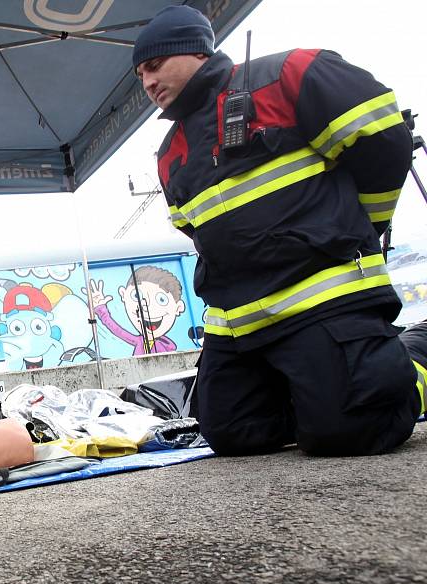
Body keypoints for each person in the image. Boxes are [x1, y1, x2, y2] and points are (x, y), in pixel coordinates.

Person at [132, 6, 427, 456]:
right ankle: (328, 393)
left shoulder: (289, 75)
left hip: (322, 301)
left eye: (154, 66)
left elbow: (384, 137)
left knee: (355, 429)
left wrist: (359, 230)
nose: (148, 83)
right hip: (240, 327)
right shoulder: (170, 154)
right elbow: (203, 235)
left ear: (194, 51)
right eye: (140, 76)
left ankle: (408, 369)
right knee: (233, 436)